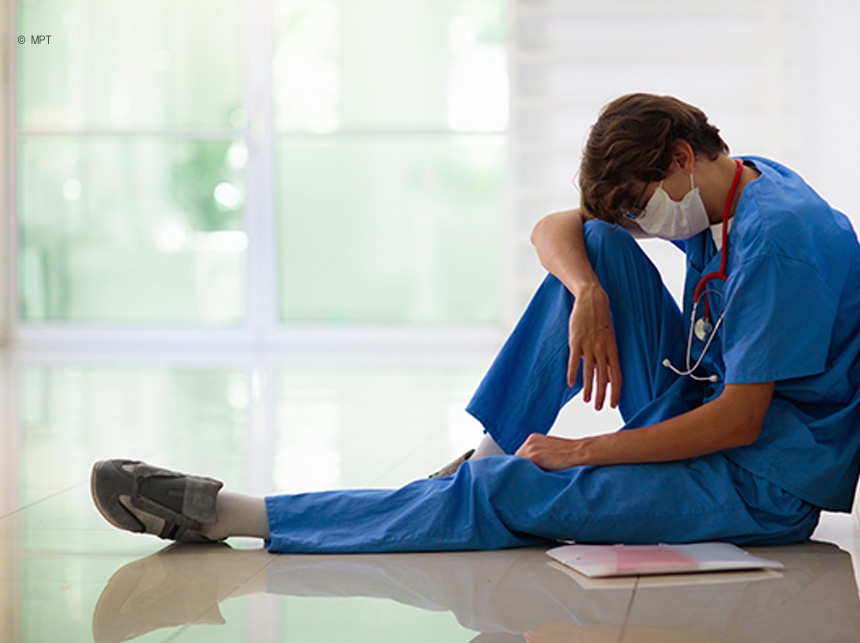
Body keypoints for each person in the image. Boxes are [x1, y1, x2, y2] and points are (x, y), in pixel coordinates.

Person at [91, 93, 860, 553]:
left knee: (508, 494)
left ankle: (229, 514)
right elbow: (556, 229)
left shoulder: (780, 238)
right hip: (703, 404)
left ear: (682, 156)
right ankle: (481, 459)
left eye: (639, 205)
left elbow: (738, 421)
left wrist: (584, 449)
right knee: (593, 251)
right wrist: (587, 291)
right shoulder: (737, 183)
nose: (643, 223)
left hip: (760, 479)